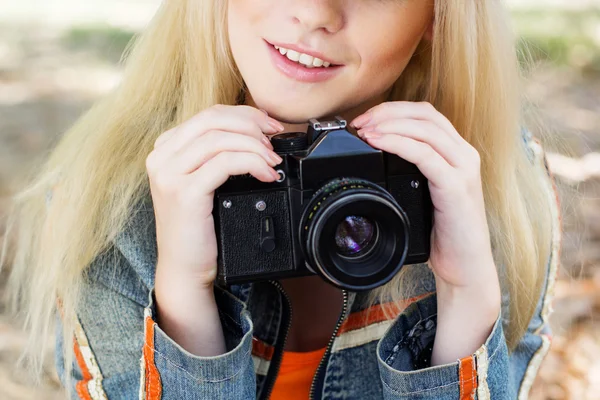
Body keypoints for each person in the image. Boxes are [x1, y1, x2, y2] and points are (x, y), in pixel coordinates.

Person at [4, 1, 562, 399]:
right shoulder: (111, 205)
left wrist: (465, 300)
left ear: (438, 16)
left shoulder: (490, 186)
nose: (317, 12)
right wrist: (184, 298)